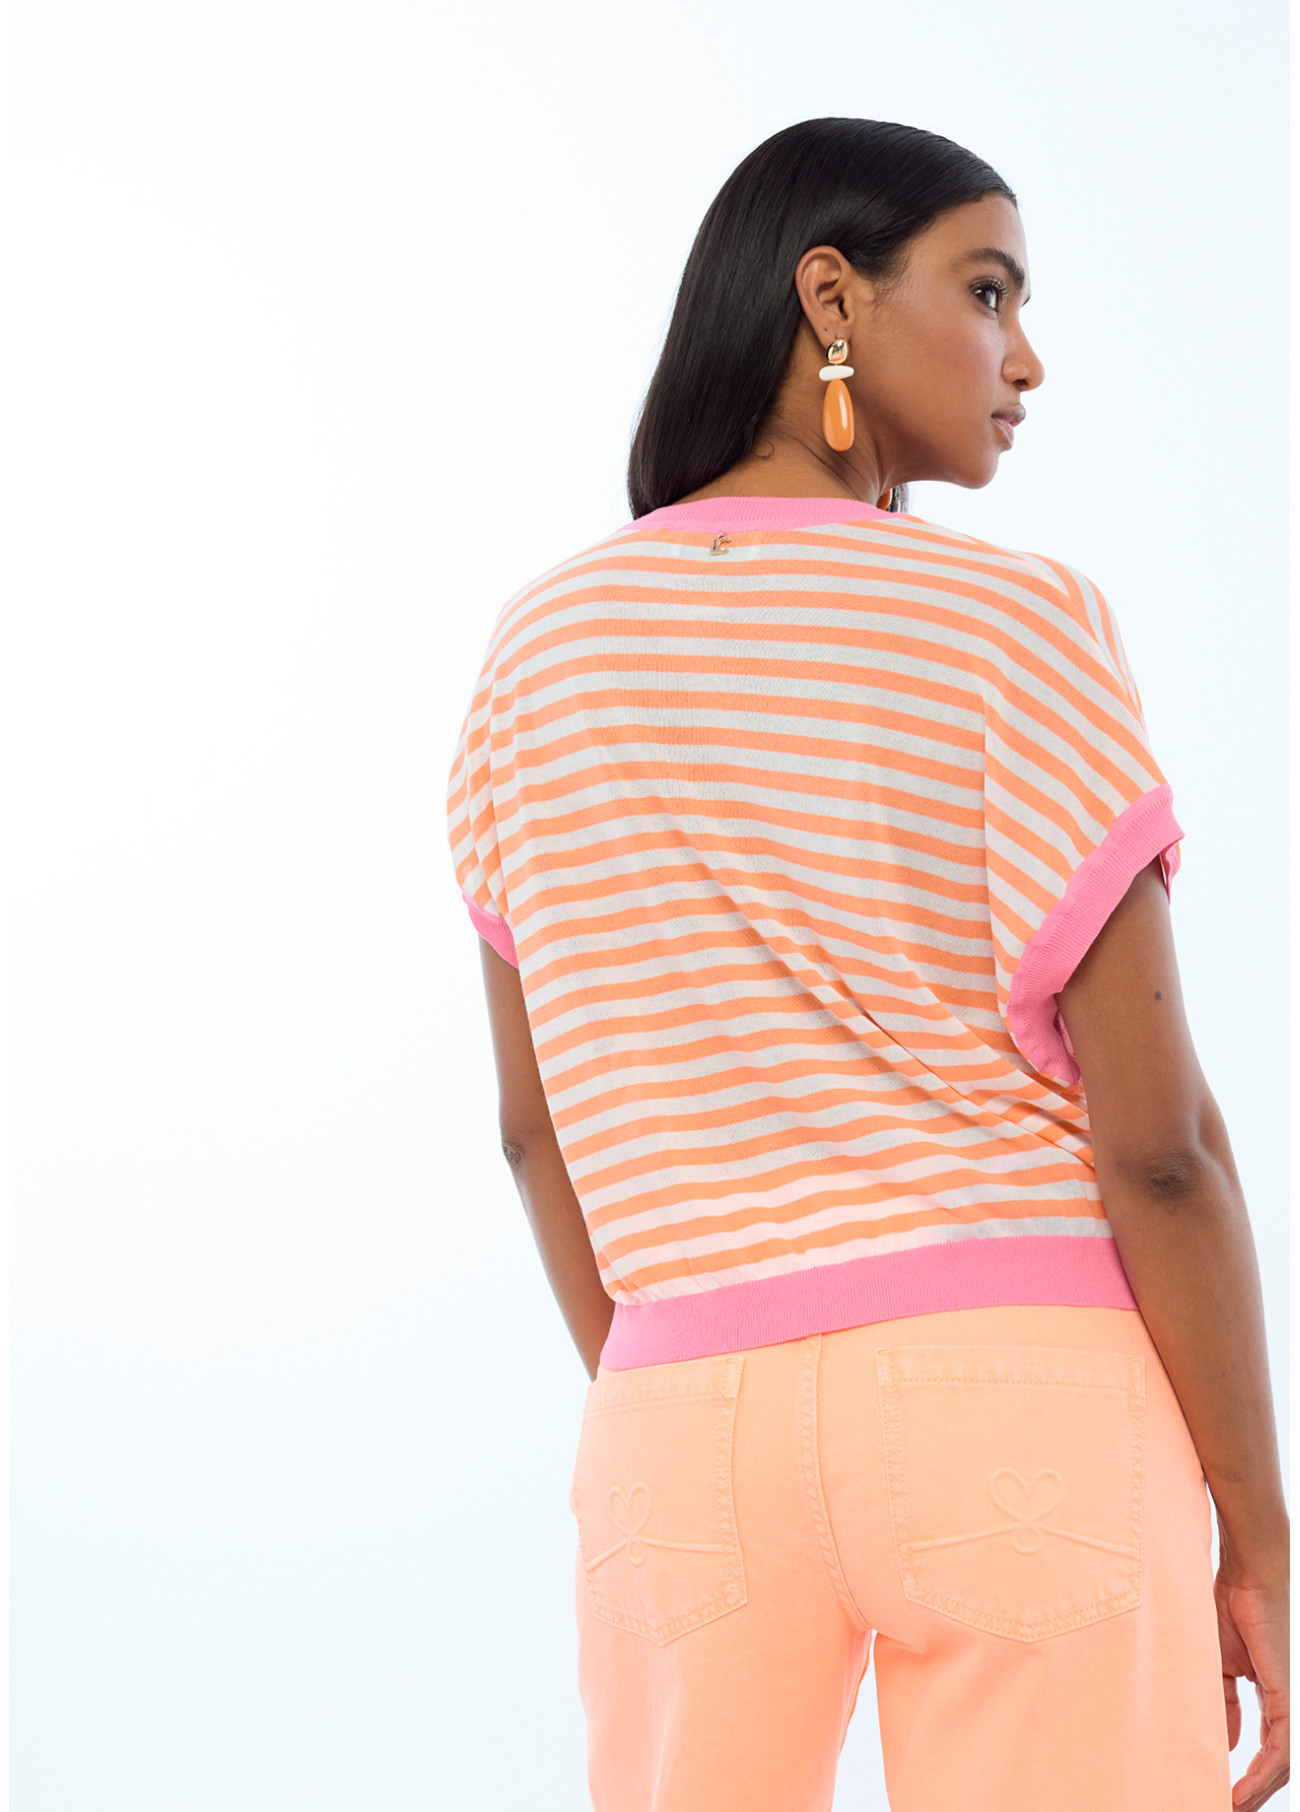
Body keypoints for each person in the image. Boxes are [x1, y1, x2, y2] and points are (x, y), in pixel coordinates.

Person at [445, 117, 1289, 1812]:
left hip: (680, 1421)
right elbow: (1159, 1148)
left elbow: (538, 1134)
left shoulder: (538, 654)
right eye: (989, 292)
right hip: (1025, 1401)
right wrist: (1258, 1529)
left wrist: (699, 1376)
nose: (1026, 358)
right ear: (829, 297)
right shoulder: (1016, 621)